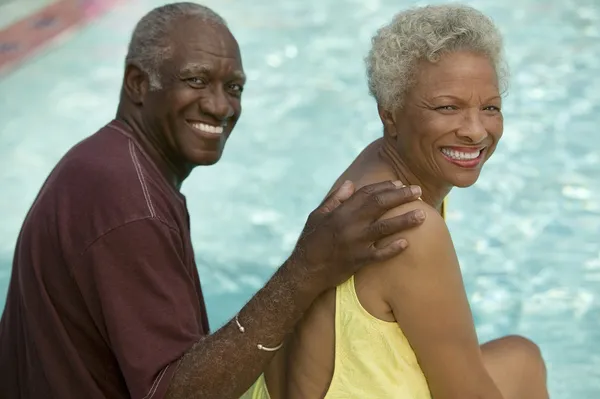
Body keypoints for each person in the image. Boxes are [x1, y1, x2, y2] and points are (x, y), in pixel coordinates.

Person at [0, 3, 429, 399]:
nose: (220, 106)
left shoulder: (106, 165)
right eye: (196, 80)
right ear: (138, 83)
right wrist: (307, 269)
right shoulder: (130, 204)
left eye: (234, 87)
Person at [249, 4, 550, 399]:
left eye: (490, 107)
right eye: (447, 107)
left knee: (521, 360)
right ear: (389, 115)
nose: (476, 132)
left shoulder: (375, 168)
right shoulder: (411, 226)